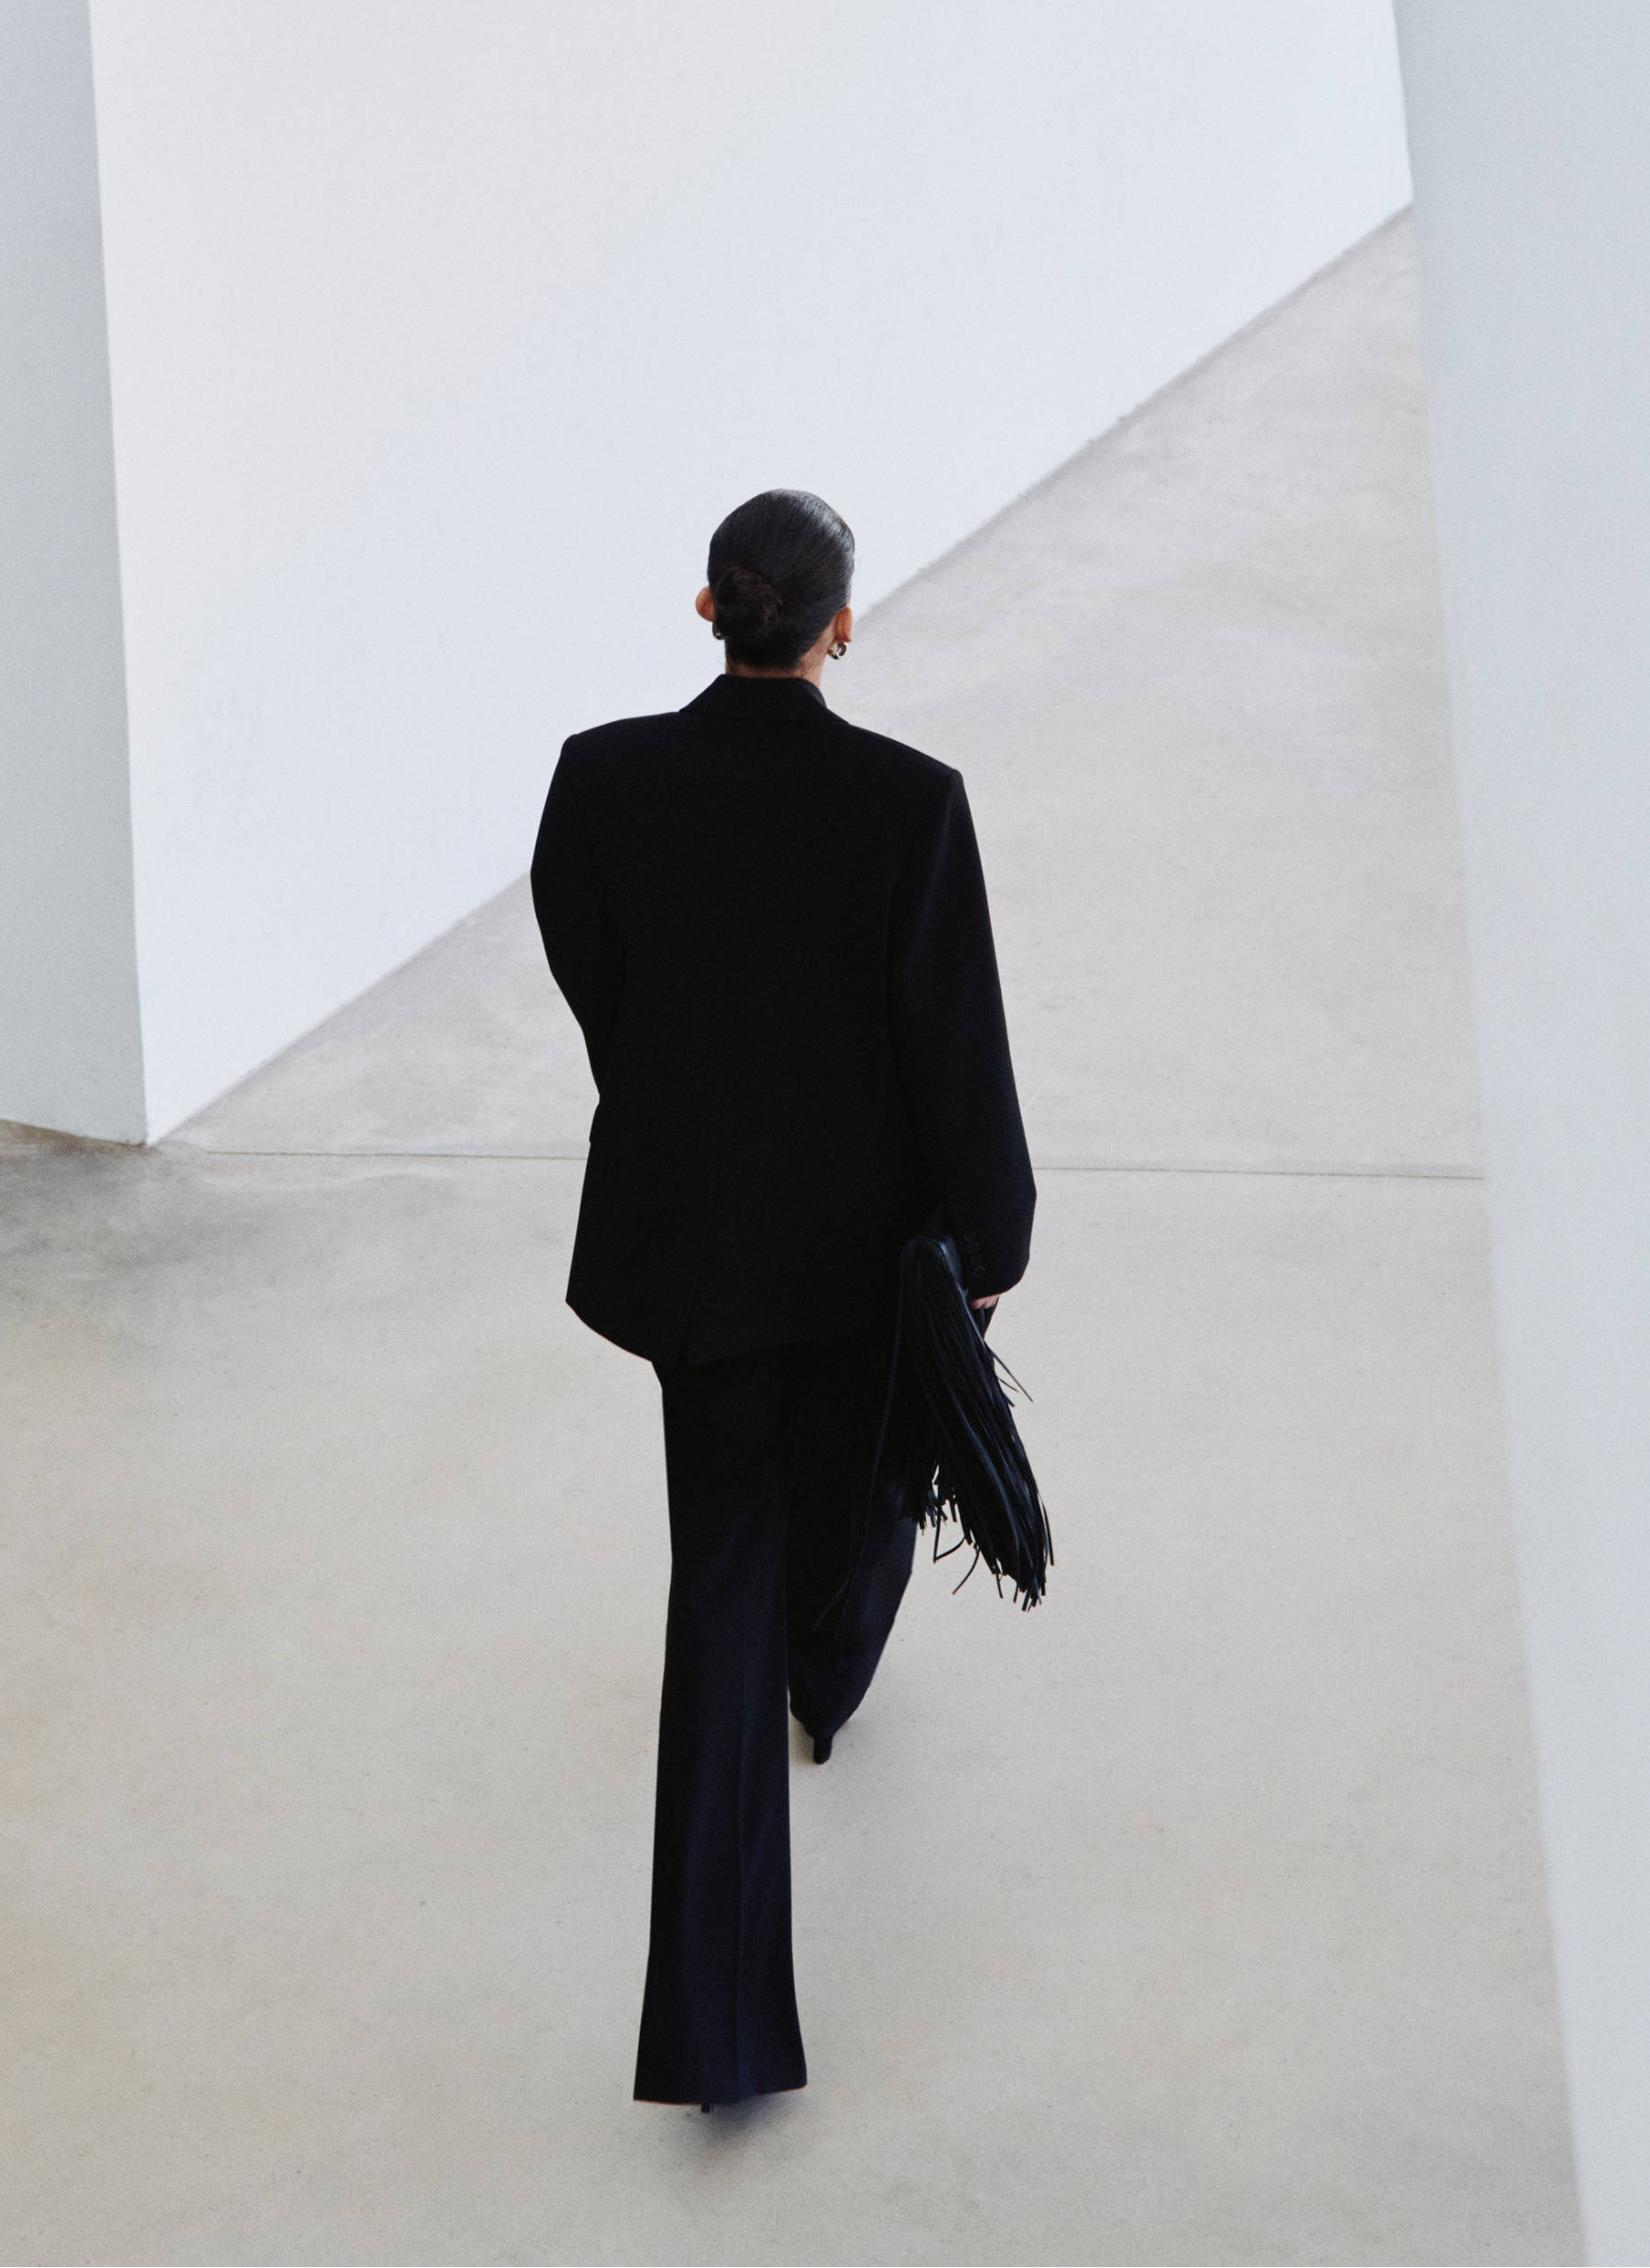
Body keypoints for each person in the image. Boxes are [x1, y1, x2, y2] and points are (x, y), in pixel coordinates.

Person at [531, 488, 1035, 2110]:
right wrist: (993, 1235)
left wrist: (673, 1087)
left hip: (698, 1251)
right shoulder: (908, 803)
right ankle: (831, 1674)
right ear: (836, 628)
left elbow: (587, 964)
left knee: (719, 1595)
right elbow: (955, 1035)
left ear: (707, 611)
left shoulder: (605, 780)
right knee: (868, 1489)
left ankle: (720, 2038)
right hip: (861, 1255)